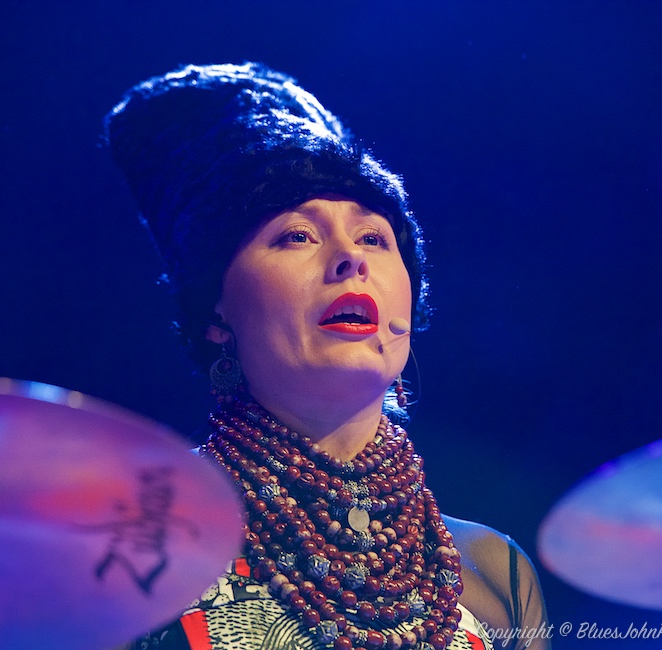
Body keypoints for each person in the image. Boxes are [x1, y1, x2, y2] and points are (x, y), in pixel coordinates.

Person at [106, 62, 548, 650]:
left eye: (374, 238)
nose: (350, 260)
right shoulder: (133, 537)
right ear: (214, 314)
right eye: (297, 235)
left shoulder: (495, 571)